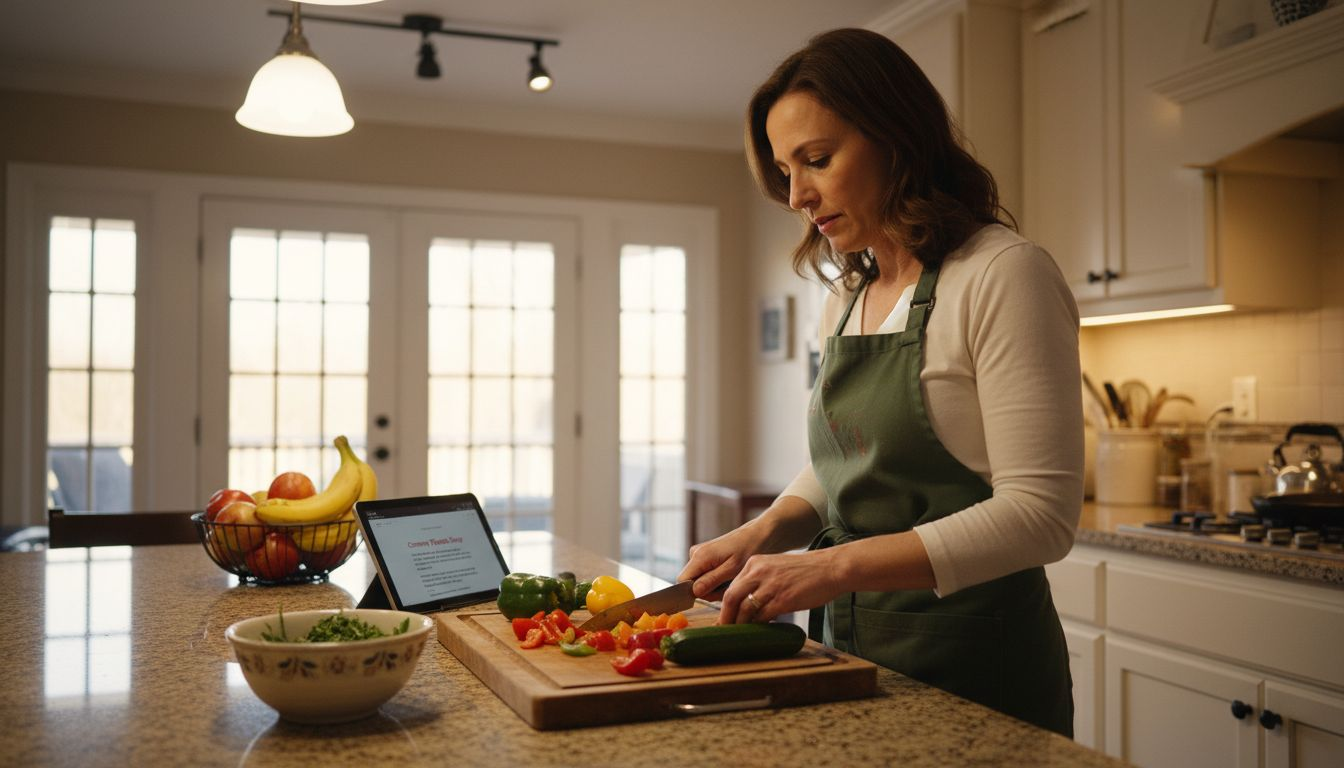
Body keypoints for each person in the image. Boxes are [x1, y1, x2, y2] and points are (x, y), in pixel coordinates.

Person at [677, 28, 1082, 736]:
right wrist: (767, 531)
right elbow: (848, 455)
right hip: (852, 655)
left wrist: (831, 569)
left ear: (898, 137)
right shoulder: (849, 295)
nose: (798, 194)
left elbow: (1040, 516)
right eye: (785, 169)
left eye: (818, 159)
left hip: (978, 667)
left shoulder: (1002, 273)